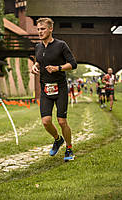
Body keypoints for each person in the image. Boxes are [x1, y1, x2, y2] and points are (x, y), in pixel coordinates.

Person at [31, 18, 77, 161]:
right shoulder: (38, 47)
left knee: (62, 121)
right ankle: (58, 139)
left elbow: (73, 64)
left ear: (51, 29)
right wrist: (35, 65)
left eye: (43, 29)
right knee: (46, 121)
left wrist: (58, 68)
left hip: (60, 88)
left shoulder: (61, 45)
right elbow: (39, 60)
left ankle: (69, 149)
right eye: (38, 29)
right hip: (46, 89)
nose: (40, 32)